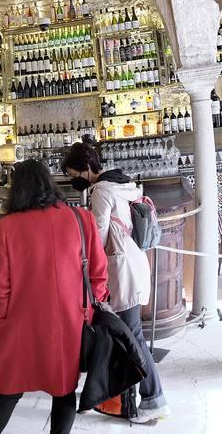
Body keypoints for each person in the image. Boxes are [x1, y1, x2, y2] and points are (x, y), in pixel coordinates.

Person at [0, 159, 107, 434]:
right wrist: (86, 311)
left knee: (8, 392)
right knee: (63, 391)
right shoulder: (80, 218)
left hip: (19, 324)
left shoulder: (8, 227)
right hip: (69, 323)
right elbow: (99, 273)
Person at [63, 141, 169, 424]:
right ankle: (124, 399)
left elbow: (97, 236)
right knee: (128, 335)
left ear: (86, 169)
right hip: (134, 262)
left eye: (74, 173)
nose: (74, 179)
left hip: (122, 270)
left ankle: (153, 398)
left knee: (132, 337)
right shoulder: (124, 183)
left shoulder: (101, 191)